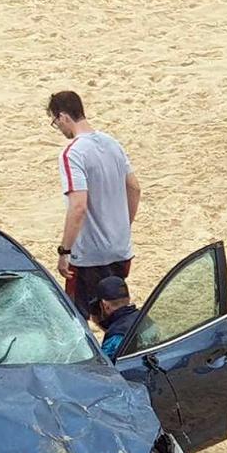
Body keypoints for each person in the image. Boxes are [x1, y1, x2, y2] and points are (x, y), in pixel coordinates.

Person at [48, 91, 141, 320]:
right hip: (119, 248)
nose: (58, 128)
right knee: (115, 312)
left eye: (55, 122)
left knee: (78, 319)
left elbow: (78, 206)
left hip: (89, 255)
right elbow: (134, 188)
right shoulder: (113, 143)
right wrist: (122, 225)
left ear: (62, 117)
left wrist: (65, 251)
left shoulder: (73, 153)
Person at [93, 276, 140, 359]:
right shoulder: (144, 319)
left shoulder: (115, 335)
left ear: (105, 305)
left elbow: (104, 367)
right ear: (128, 299)